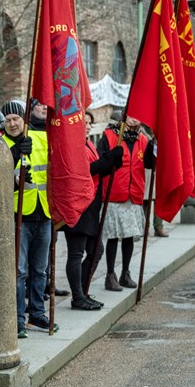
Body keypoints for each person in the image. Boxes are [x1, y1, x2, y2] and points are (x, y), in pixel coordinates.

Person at [0, 100, 55, 335]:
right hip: (17, 214)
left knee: (40, 269)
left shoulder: (40, 137)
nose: (12, 123)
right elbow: (0, 177)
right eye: (8, 120)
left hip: (43, 211)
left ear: (24, 119)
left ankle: (37, 314)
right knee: (19, 270)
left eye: (16, 119)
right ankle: (17, 318)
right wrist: (14, 154)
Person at [64, 111, 124, 310]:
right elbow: (86, 170)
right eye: (85, 123)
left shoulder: (89, 144)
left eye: (90, 123)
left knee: (96, 250)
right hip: (78, 205)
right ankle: (77, 296)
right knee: (76, 253)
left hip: (92, 205)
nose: (88, 126)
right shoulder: (72, 145)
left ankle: (82, 290)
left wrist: (114, 162)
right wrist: (108, 159)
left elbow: (99, 170)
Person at [97, 115, 154, 292]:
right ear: (123, 117)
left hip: (133, 193)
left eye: (138, 117)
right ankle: (110, 275)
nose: (134, 120)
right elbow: (100, 161)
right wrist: (112, 158)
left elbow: (150, 164)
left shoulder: (143, 139)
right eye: (131, 116)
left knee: (129, 235)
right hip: (114, 193)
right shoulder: (109, 136)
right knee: (113, 236)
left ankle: (125, 272)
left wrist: (154, 147)